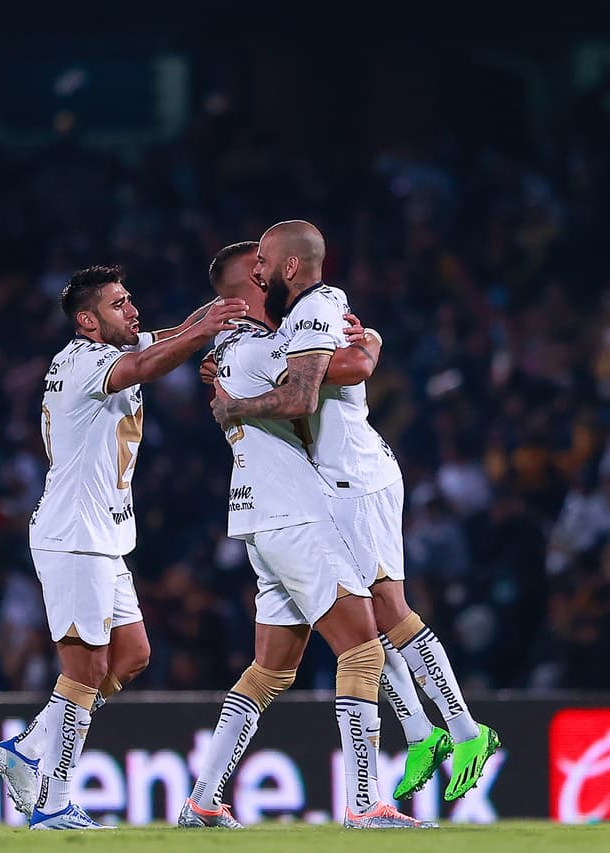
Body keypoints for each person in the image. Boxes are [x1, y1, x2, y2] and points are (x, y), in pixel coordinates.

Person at [213, 222, 499, 803]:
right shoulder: (286, 323)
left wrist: (365, 347)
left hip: (357, 479)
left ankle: (468, 731)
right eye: (255, 264)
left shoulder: (318, 306)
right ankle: (421, 732)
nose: (262, 269)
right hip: (332, 483)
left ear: (287, 268)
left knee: (388, 610)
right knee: (364, 618)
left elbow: (320, 382)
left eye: (266, 259)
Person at [0, 266, 248, 830]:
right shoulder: (84, 361)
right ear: (88, 321)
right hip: (74, 535)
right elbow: (147, 363)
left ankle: (30, 745)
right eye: (118, 304)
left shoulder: (115, 348)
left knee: (132, 655)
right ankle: (52, 802)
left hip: (104, 536)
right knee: (85, 668)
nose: (133, 310)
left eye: (131, 299)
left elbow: (170, 335)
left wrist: (226, 306)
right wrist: (202, 334)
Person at [186, 241, 430, 830]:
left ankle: (203, 798)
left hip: (265, 517)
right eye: (260, 267)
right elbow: (324, 375)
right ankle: (365, 803)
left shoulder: (232, 350)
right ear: (245, 283)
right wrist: (368, 343)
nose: (270, 273)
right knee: (364, 649)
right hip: (292, 517)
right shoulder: (252, 349)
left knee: (270, 671)